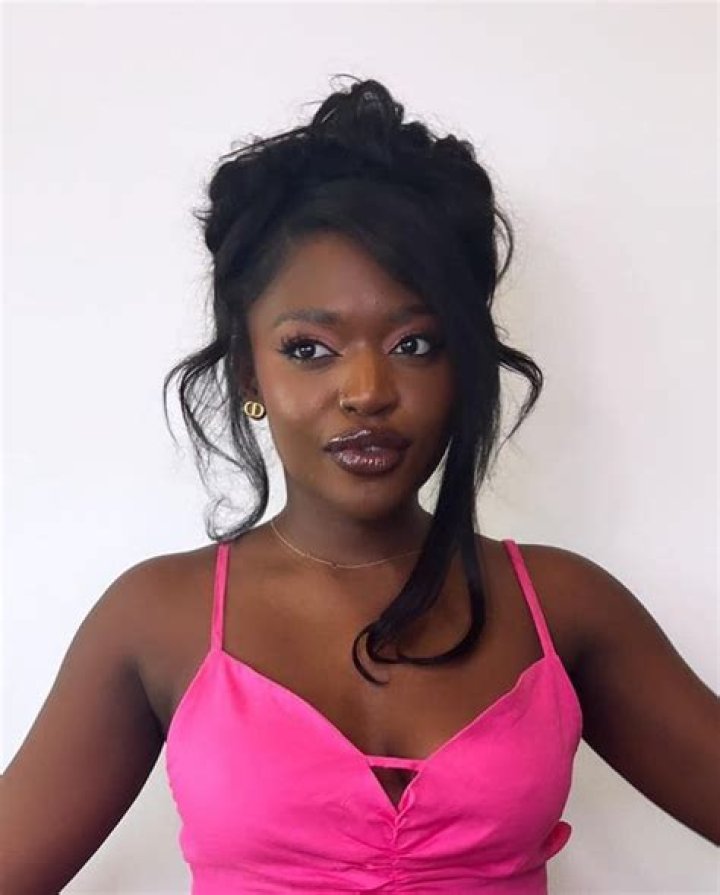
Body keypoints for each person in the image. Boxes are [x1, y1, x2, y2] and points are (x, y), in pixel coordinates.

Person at [2, 75, 718, 895]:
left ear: (464, 367)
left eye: (415, 344)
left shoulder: (565, 608)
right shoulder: (156, 618)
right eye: (310, 349)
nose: (369, 391)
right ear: (249, 372)